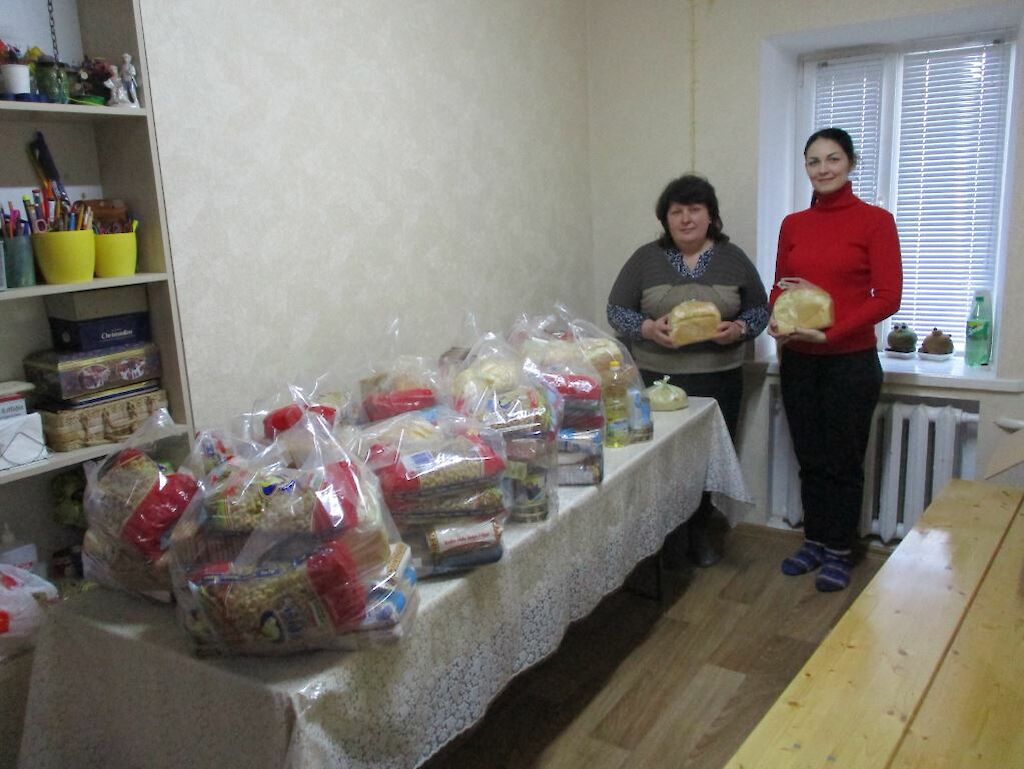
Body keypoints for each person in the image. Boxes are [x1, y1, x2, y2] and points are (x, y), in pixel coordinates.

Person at [608, 174, 768, 566]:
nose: (685, 219)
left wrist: (739, 329)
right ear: (665, 219)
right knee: (659, 461)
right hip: (655, 380)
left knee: (707, 461)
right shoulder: (645, 258)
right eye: (676, 211)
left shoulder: (733, 258)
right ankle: (662, 543)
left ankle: (700, 534)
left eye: (694, 210)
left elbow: (760, 310)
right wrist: (647, 328)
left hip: (719, 379)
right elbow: (616, 310)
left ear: (711, 216)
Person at [769, 127, 902, 592]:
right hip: (799, 361)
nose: (822, 169)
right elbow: (779, 287)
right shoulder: (793, 224)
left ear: (850, 163)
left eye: (832, 159)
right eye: (814, 161)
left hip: (850, 361)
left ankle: (840, 551)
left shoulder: (875, 221)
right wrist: (778, 317)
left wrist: (828, 329)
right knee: (810, 458)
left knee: (843, 461)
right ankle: (815, 541)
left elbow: (887, 296)